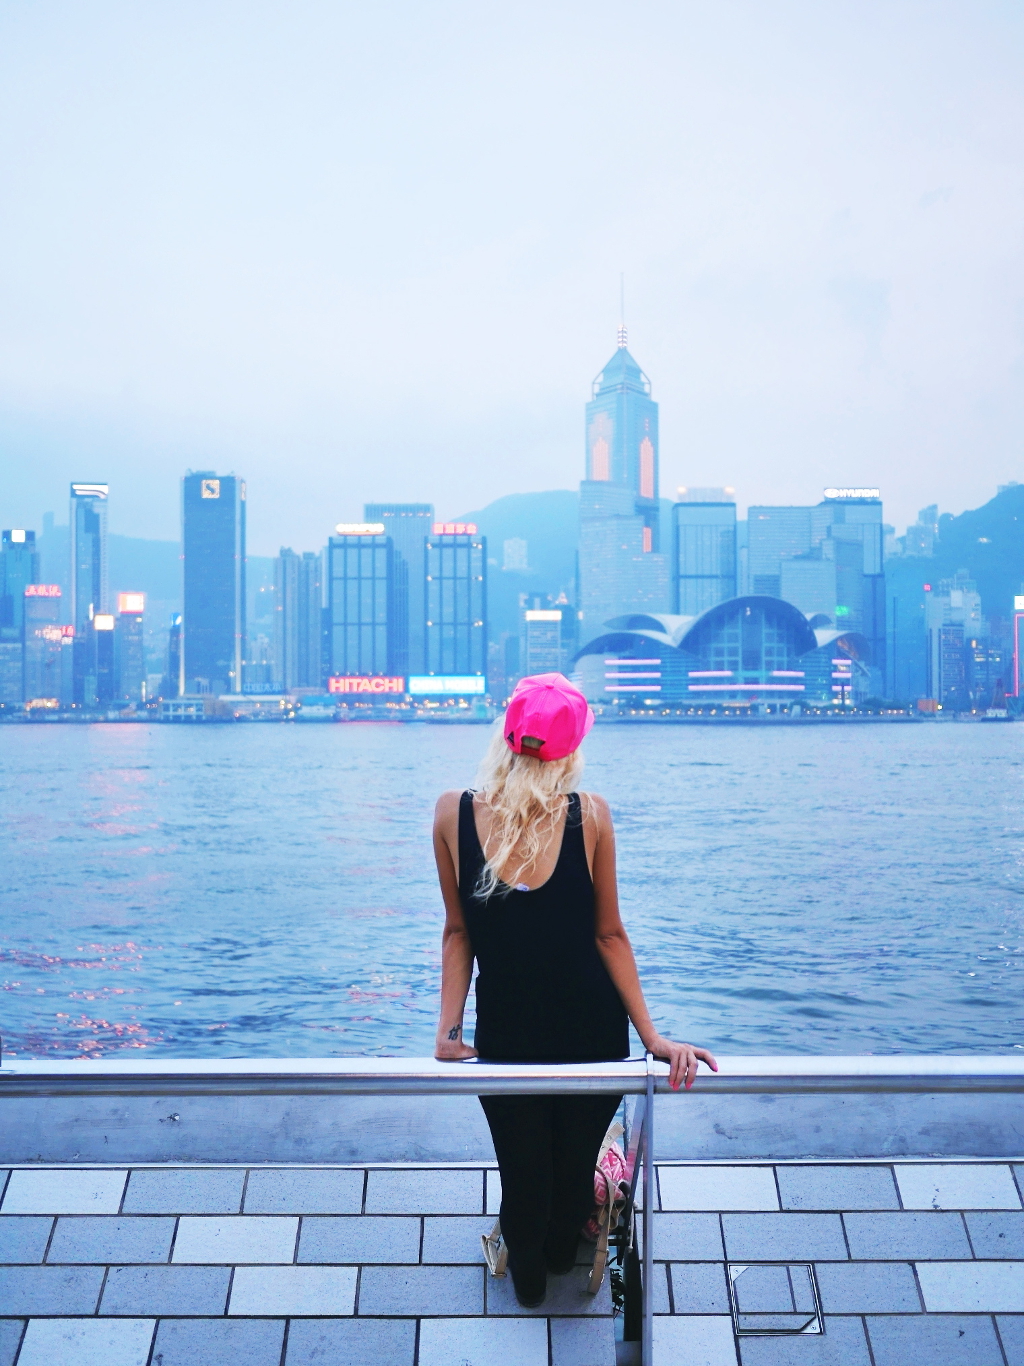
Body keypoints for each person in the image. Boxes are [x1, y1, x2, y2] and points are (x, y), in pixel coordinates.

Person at [432, 672, 717, 1307]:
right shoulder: (589, 815)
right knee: (561, 1184)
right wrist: (652, 1038)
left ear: (505, 738)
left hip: (511, 1035)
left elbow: (459, 934)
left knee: (525, 1177)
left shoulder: (452, 813)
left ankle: (532, 1272)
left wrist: (450, 1032)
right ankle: (552, 1255)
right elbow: (609, 935)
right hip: (592, 1036)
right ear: (571, 752)